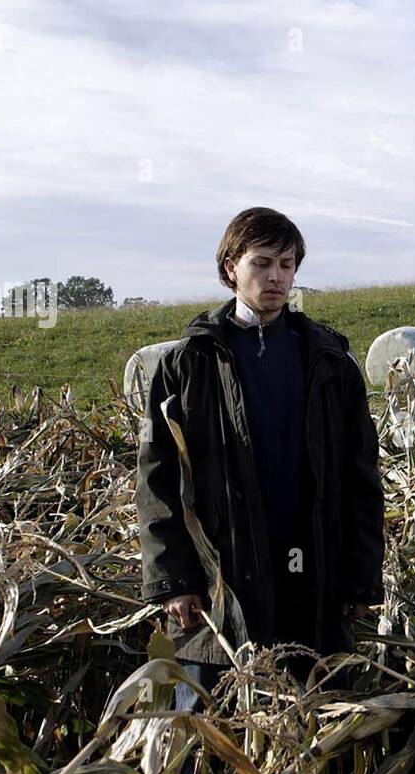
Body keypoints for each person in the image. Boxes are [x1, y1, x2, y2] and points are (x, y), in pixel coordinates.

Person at [135, 206, 385, 719]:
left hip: (311, 573)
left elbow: (361, 478)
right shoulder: (187, 364)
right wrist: (174, 580)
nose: (276, 278)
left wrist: (361, 578)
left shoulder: (330, 360)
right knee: (205, 730)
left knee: (313, 721)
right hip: (219, 583)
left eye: (287, 265)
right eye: (262, 263)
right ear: (231, 267)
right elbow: (156, 479)